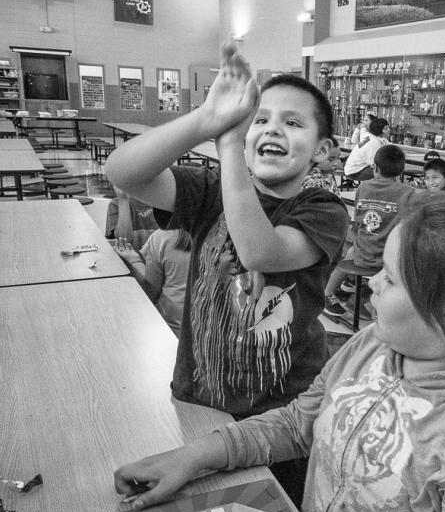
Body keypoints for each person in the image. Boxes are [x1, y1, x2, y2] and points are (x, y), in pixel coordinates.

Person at [114, 194, 445, 512]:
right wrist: (193, 455)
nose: (372, 283)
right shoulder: (375, 346)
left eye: (392, 278)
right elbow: (297, 424)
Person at [104, 40, 350, 420]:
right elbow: (122, 172)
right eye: (260, 120)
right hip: (199, 392)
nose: (273, 130)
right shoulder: (209, 189)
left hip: (283, 411)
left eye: (293, 122)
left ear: (323, 149)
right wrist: (205, 119)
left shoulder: (322, 209)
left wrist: (230, 145)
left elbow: (258, 251)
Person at [323, 143, 414, 319]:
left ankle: (328, 294)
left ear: (375, 168)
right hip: (388, 259)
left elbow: (358, 220)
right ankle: (361, 293)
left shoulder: (363, 187)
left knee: (351, 250)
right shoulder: (408, 192)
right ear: (400, 171)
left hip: (362, 254)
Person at [114, 229, 193, 338]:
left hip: (172, 332)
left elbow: (151, 293)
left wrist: (134, 260)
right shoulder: (219, 235)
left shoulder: (162, 237)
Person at [105, 185, 159, 251]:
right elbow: (124, 240)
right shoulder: (115, 205)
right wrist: (123, 200)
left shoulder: (161, 202)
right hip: (133, 259)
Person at [343, 117, 390, 182]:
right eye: (386, 129)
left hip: (354, 168)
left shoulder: (373, 138)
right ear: (379, 130)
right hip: (355, 172)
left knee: (385, 169)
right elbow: (374, 163)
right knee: (384, 172)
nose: (389, 130)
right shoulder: (374, 142)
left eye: (388, 128)